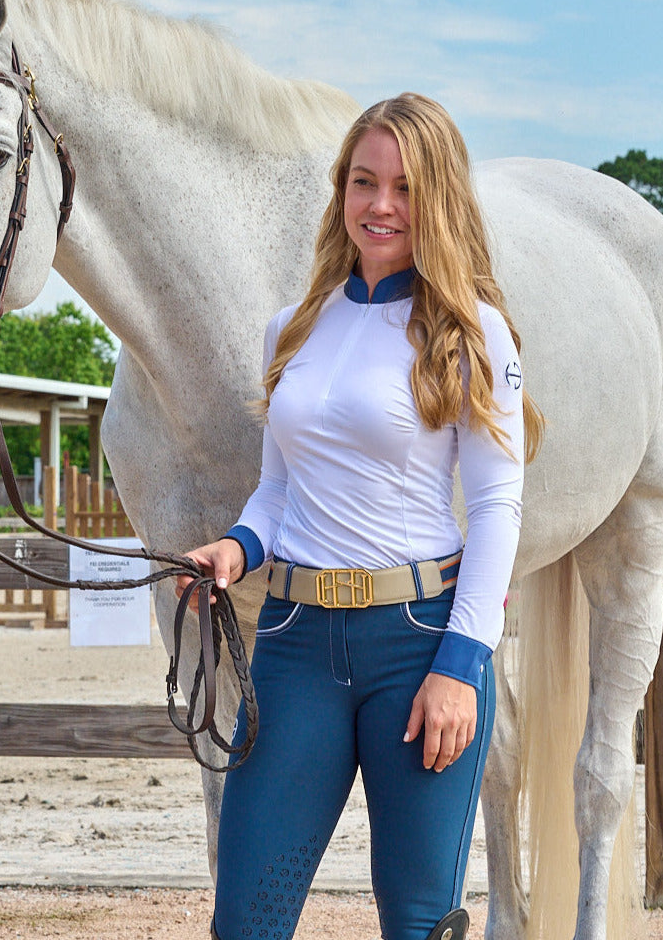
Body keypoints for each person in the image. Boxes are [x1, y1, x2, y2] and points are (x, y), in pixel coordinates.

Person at [177, 93, 543, 940]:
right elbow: (278, 488)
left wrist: (461, 663)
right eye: (363, 181)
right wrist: (236, 547)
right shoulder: (292, 328)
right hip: (294, 641)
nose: (381, 204)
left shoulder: (473, 333)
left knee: (417, 925)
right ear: (341, 188)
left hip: (417, 646)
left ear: (439, 198)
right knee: (244, 920)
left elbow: (496, 505)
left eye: (405, 187)